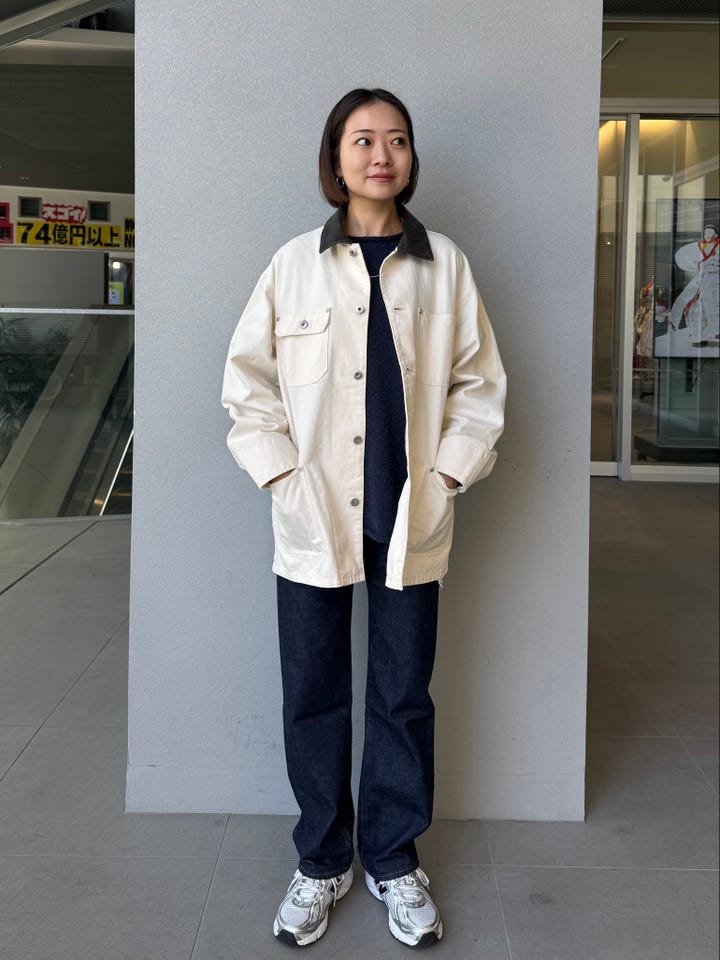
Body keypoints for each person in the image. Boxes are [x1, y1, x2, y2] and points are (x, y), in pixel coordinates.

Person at [221, 88, 506, 949]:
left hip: (411, 514)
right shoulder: (293, 266)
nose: (381, 154)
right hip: (315, 518)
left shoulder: (444, 265)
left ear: (410, 159)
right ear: (336, 158)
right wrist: (281, 476)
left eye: (397, 140)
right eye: (363, 139)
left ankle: (391, 857)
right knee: (313, 695)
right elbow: (247, 385)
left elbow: (480, 385)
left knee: (401, 696)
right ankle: (321, 861)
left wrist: (449, 472)